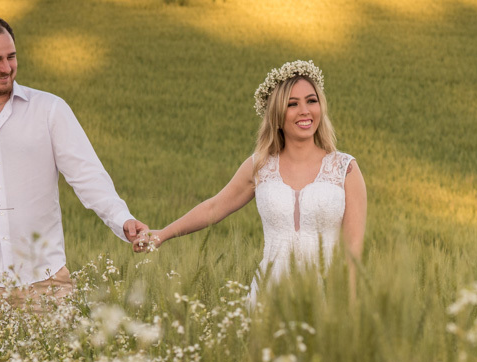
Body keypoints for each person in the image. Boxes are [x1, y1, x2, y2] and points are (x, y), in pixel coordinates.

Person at [0, 16, 147, 320]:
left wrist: (121, 218)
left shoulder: (49, 110)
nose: (6, 67)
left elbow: (87, 175)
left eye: (11, 56)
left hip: (45, 283)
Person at [136, 60, 366, 305]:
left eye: (311, 101)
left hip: (325, 299)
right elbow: (213, 208)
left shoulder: (345, 169)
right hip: (267, 299)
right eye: (292, 104)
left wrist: (347, 307)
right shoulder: (260, 166)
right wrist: (162, 234)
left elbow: (353, 249)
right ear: (277, 115)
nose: (305, 111)